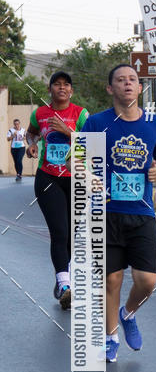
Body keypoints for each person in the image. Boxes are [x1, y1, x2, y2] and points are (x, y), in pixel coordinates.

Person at [82, 64, 156, 363]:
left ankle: (128, 313)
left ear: (140, 88)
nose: (127, 84)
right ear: (111, 88)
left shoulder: (154, 124)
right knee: (111, 280)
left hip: (142, 212)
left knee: (147, 281)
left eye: (132, 79)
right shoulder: (96, 123)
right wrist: (89, 177)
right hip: (105, 212)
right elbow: (76, 158)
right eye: (120, 80)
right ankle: (110, 338)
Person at [26, 72, 89, 309]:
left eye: (66, 85)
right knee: (59, 231)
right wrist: (32, 144)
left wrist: (66, 131)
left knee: (71, 233)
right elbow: (31, 133)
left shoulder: (81, 114)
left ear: (71, 91)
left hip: (76, 178)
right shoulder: (40, 114)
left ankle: (64, 277)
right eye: (57, 84)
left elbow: (92, 144)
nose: (62, 88)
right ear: (49, 89)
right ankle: (64, 284)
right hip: (48, 177)